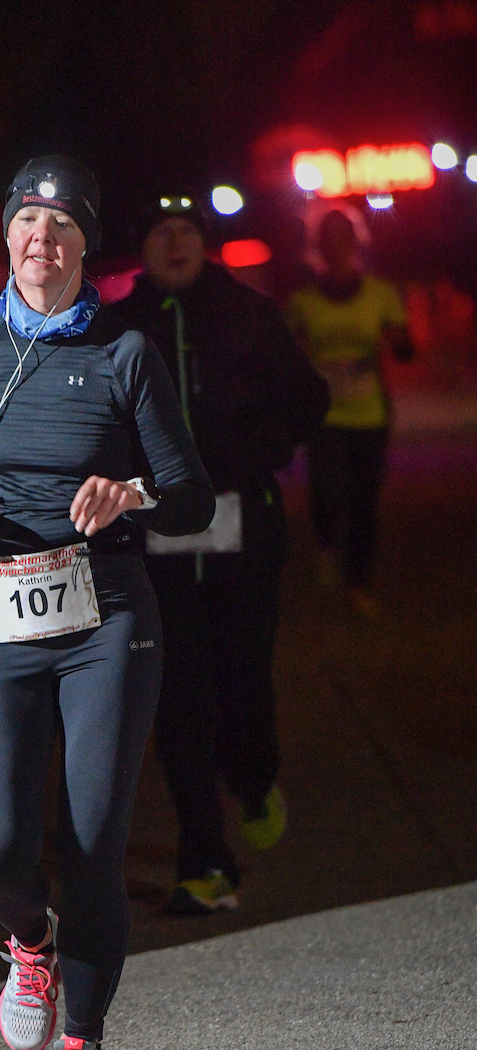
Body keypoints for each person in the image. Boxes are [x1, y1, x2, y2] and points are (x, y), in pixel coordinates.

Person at [0, 157, 215, 1050]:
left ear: (86, 245)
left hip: (105, 613)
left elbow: (192, 496)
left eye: (62, 224)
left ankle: (83, 1049)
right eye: (28, 221)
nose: (43, 237)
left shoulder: (125, 355)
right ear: (6, 238)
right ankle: (30, 945)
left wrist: (132, 491)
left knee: (91, 838)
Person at [113, 195, 329, 916]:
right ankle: (204, 860)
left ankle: (255, 774)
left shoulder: (249, 316)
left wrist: (258, 448)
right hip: (157, 546)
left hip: (243, 536)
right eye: (159, 231)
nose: (174, 243)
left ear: (206, 243)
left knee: (242, 687)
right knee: (179, 702)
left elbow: (309, 401)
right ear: (141, 247)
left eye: (186, 231)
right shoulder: (116, 328)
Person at [286, 208, 412, 619]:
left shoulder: (380, 293)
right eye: (330, 237)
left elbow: (403, 347)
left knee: (364, 499)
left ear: (355, 243)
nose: (338, 245)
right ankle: (325, 546)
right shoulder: (303, 301)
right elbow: (291, 355)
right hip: (325, 415)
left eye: (345, 236)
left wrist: (400, 341)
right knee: (325, 493)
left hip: (370, 411)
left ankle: (358, 579)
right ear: (318, 246)